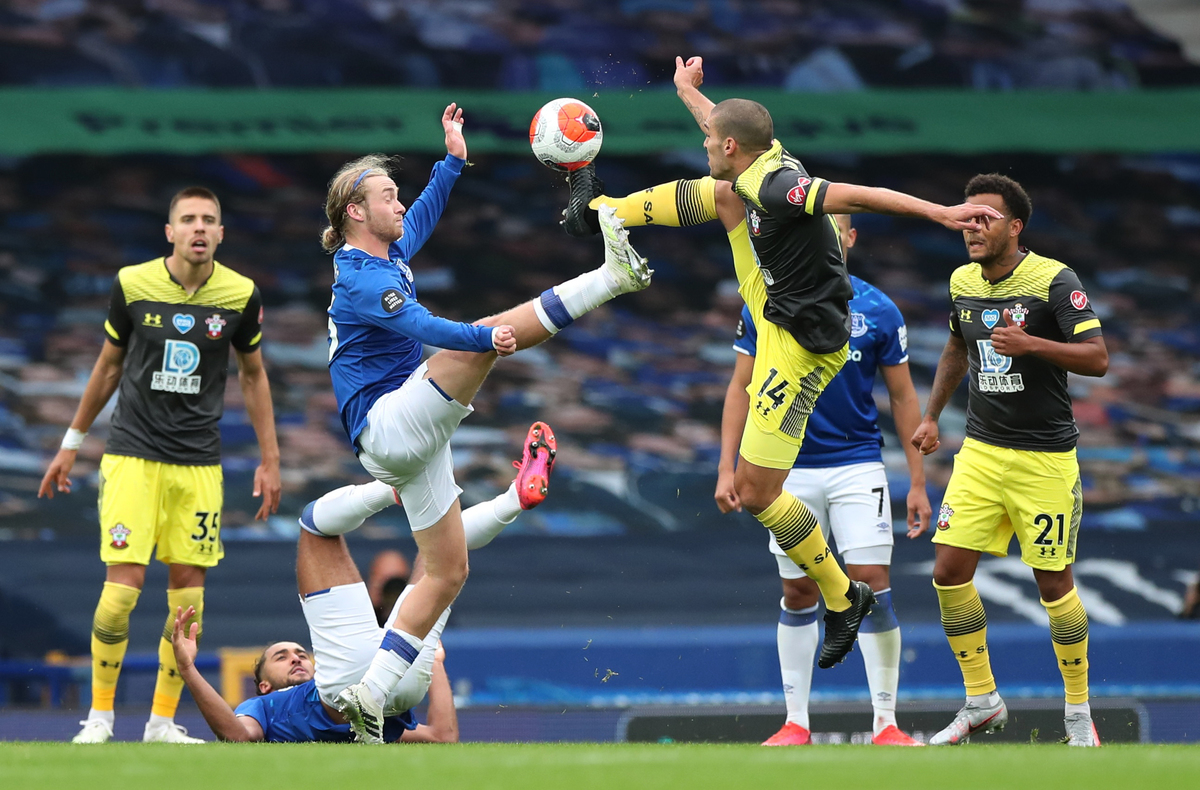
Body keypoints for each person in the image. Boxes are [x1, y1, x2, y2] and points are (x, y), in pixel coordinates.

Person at [561, 55, 1000, 670]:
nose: (705, 142)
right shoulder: (754, 159)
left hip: (800, 347)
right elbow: (721, 128)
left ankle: (844, 597)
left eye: (712, 140)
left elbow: (858, 195)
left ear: (733, 147)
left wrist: (940, 212)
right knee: (721, 194)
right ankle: (602, 212)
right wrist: (688, 91)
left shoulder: (778, 185)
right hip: (771, 303)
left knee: (756, 490)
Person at [305, 103, 650, 742]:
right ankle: (611, 277)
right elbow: (418, 323)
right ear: (355, 211)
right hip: (386, 423)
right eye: (388, 196)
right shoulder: (357, 277)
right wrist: (483, 337)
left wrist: (452, 163)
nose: (399, 203)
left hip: (405, 433)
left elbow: (421, 219)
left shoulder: (383, 253)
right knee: (475, 340)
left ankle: (370, 696)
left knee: (447, 572)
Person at [38, 186, 282, 744]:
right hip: (132, 455)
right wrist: (71, 442)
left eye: (209, 220)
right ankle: (100, 717)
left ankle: (161, 723)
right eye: (188, 219)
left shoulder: (241, 294)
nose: (199, 228)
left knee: (188, 596)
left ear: (221, 233)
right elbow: (107, 367)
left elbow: (253, 376)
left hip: (198, 465)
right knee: (122, 589)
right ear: (170, 232)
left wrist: (270, 458)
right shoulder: (132, 284)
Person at [167, 428, 557, 743]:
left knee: (440, 557)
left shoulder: (285, 708)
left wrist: (431, 660)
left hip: (394, 680)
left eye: (298, 652)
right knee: (313, 524)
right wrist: (188, 669)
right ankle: (393, 488)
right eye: (281, 657)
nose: (297, 658)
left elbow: (441, 737)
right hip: (367, 681)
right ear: (264, 686)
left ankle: (513, 499)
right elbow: (236, 735)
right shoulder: (264, 708)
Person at [716, 215, 930, 747]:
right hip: (784, 469)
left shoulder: (878, 309)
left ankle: (886, 723)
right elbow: (741, 386)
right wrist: (727, 467)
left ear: (851, 237)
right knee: (798, 589)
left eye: (837, 225)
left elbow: (903, 396)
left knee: (872, 583)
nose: (827, 233)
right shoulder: (765, 299)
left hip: (858, 464)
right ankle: (796, 722)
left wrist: (918, 481)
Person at [911, 174, 1108, 747]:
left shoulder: (1054, 280)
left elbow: (1097, 358)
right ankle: (982, 701)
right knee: (948, 572)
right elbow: (957, 346)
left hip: (1044, 460)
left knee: (1053, 584)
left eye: (985, 219)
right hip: (980, 452)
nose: (970, 228)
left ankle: (1078, 715)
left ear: (1015, 227)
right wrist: (931, 415)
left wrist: (1033, 345)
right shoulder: (962, 281)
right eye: (966, 218)